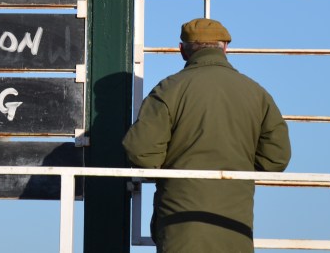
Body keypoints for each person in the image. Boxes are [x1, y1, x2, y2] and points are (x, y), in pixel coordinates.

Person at [122, 17, 291, 253]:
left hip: (180, 228)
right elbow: (276, 158)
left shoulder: (168, 90)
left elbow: (141, 152)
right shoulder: (256, 93)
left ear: (182, 50)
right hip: (235, 229)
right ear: (225, 48)